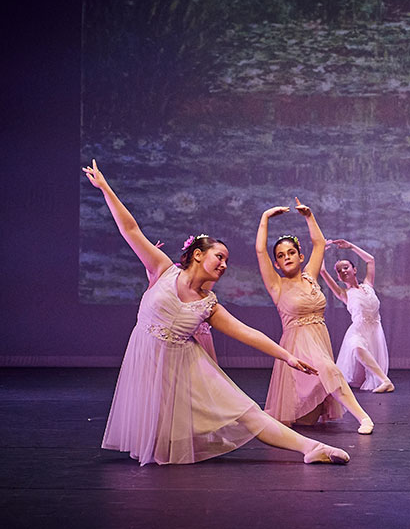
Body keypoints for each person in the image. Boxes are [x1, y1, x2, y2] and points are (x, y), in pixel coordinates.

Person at [83, 160, 348, 465]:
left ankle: (311, 448)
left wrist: (287, 356)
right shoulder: (162, 269)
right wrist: (105, 188)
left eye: (226, 261)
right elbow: (130, 229)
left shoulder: (208, 304)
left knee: (247, 412)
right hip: (148, 359)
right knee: (162, 437)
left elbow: (247, 333)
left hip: (187, 365)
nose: (224, 265)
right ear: (198, 255)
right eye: (219, 257)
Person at [256, 203, 375, 434]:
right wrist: (265, 217)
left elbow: (319, 243)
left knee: (308, 417)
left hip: (319, 339)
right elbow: (260, 251)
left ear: (300, 256)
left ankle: (361, 417)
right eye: (281, 255)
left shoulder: (310, 276)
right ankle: (364, 418)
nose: (287, 257)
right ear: (276, 263)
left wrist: (309, 216)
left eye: (291, 253)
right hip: (297, 344)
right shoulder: (276, 285)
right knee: (330, 373)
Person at [318, 238, 393, 392]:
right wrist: (320, 250)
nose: (343, 271)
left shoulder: (368, 285)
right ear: (338, 277)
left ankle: (383, 381)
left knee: (361, 376)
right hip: (357, 331)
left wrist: (351, 246)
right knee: (356, 348)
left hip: (374, 331)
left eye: (346, 267)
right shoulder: (343, 293)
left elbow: (370, 260)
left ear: (354, 270)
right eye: (339, 271)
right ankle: (386, 382)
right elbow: (322, 271)